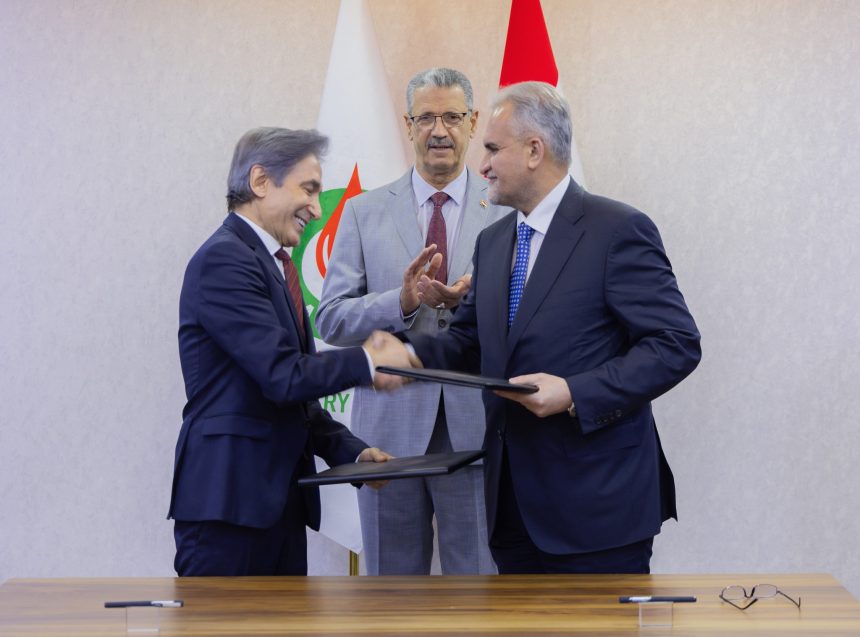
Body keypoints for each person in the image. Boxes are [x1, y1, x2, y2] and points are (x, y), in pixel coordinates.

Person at [406, 82, 702, 574]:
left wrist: (574, 393)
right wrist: (403, 355)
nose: (482, 166)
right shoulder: (494, 241)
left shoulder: (617, 230)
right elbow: (469, 343)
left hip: (598, 509)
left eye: (493, 149)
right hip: (511, 511)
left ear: (534, 151)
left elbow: (676, 345)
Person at [167, 127, 413, 577]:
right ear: (261, 182)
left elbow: (295, 402)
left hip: (277, 506)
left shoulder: (273, 266)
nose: (317, 209)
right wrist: (367, 360)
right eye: (309, 189)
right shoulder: (225, 260)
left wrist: (353, 454)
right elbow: (283, 375)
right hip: (229, 507)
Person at [316, 68, 503, 575]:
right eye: (426, 118)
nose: (439, 130)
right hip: (388, 436)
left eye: (452, 117)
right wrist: (399, 302)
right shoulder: (363, 212)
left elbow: (529, 313)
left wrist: (472, 302)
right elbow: (330, 319)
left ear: (473, 122)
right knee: (391, 597)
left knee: (478, 591)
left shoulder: (504, 209)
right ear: (407, 124)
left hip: (476, 430)